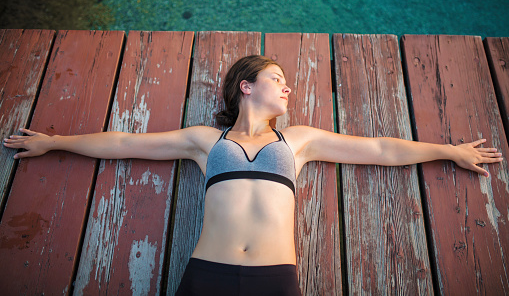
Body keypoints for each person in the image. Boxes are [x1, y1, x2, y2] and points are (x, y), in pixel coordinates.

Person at [3, 55, 503, 295]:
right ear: (246, 87)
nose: (287, 89)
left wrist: (447, 151)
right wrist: (55, 142)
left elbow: (379, 149)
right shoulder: (206, 142)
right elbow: (124, 143)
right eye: (278, 79)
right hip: (206, 275)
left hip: (275, 280)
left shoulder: (298, 141)